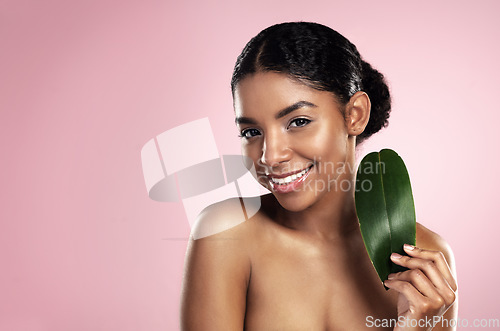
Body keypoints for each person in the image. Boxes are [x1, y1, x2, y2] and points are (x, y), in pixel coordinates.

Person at [180, 21, 458, 330]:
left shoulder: (425, 265)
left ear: (355, 115)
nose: (270, 155)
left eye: (298, 121)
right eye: (252, 131)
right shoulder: (226, 234)